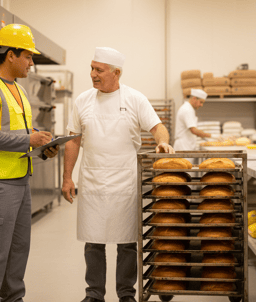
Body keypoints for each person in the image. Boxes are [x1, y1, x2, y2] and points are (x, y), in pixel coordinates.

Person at [62, 47, 175, 302]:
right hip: (92, 181)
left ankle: (126, 294)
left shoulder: (135, 99)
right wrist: (68, 176)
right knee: (93, 242)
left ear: (117, 72)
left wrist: (162, 143)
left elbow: (158, 128)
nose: (92, 74)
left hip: (125, 182)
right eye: (92, 68)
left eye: (99, 70)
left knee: (126, 243)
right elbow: (72, 140)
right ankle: (94, 294)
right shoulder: (83, 100)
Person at [0, 24, 59, 302]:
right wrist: (29, 140)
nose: (31, 62)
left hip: (19, 179)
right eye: (28, 56)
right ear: (10, 54)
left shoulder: (17, 90)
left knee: (18, 250)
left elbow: (19, 133)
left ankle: (13, 298)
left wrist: (42, 147)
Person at [174, 88, 220, 162]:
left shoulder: (188, 109)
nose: (201, 105)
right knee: (185, 171)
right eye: (201, 102)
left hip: (186, 145)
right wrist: (212, 136)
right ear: (194, 98)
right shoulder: (187, 109)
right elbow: (194, 130)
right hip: (183, 146)